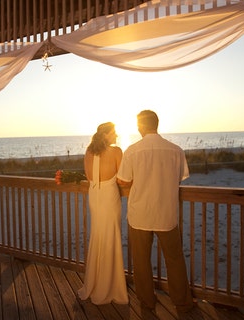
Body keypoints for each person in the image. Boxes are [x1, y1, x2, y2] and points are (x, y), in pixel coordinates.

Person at [116, 110, 195, 315]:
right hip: (167, 214)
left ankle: (147, 302)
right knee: (175, 260)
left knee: (141, 261)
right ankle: (183, 303)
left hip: (140, 214)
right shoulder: (175, 150)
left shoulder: (132, 151)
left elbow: (123, 180)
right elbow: (179, 177)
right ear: (157, 124)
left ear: (140, 126)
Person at [78, 122, 129, 305]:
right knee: (112, 237)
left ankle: (96, 282)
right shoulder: (116, 151)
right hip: (109, 196)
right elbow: (123, 178)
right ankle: (110, 286)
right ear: (106, 134)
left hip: (94, 195)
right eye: (114, 132)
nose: (117, 135)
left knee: (98, 236)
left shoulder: (89, 152)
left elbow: (88, 176)